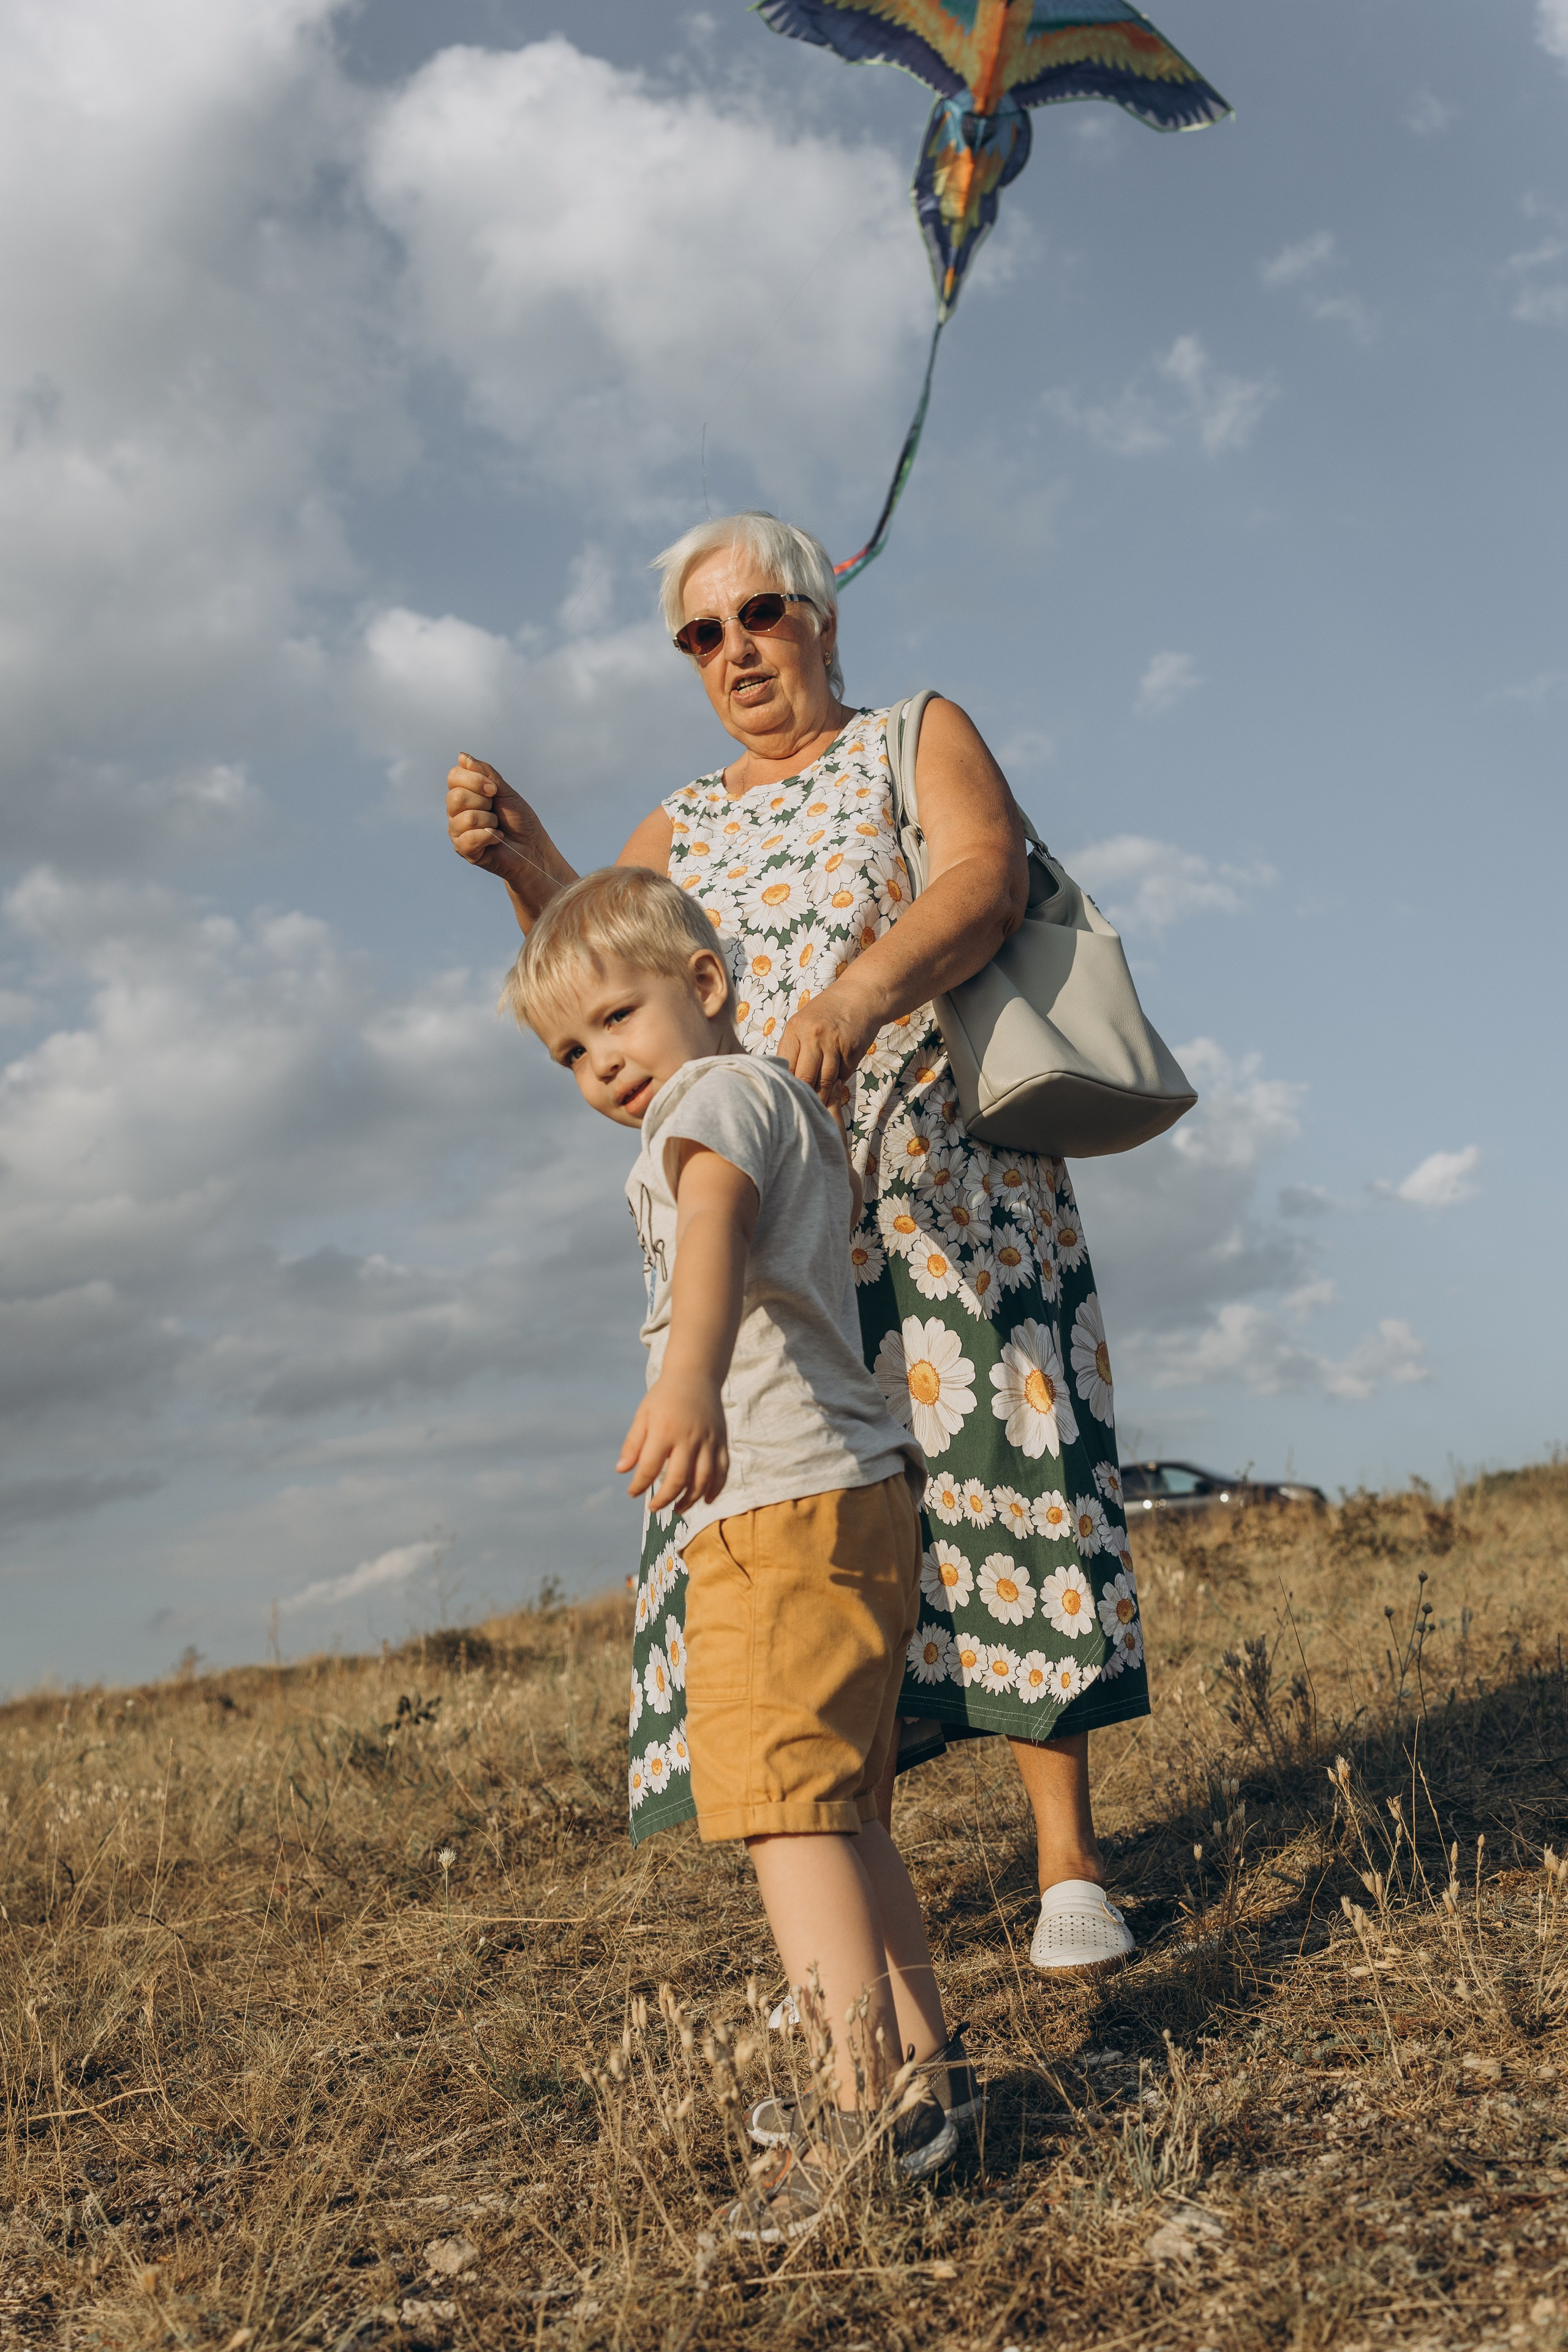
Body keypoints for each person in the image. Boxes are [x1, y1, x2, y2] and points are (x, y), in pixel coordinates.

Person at [446, 509, 1145, 1975]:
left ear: (821, 619)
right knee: (816, 1540)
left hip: (946, 1202)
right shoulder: (685, 819)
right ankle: (853, 1897)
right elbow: (607, 971)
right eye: (701, 635)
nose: (734, 650)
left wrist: (855, 989)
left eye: (758, 615)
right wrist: (526, 864)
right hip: (782, 1239)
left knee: (994, 1493)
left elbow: (981, 873)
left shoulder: (909, 734)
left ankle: (1065, 1859)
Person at [500, 862, 971, 2237]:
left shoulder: (714, 1102)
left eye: (615, 1022)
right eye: (568, 1055)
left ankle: (852, 2105)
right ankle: (925, 2079)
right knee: (845, 1808)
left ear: (702, 986)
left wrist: (686, 1379)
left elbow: (708, 1235)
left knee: (781, 1810)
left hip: (774, 1500)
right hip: (842, 1490)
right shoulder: (768, 1101)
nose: (598, 1066)